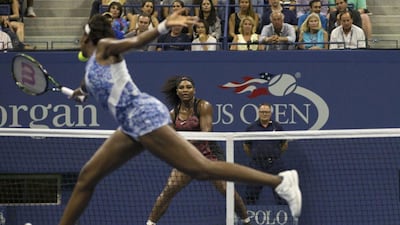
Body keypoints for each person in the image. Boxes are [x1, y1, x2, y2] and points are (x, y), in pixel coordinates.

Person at [59, 9, 301, 225]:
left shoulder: (105, 47)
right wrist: (78, 95)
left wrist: (163, 26)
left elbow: (137, 40)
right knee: (87, 178)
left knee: (202, 169)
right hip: (128, 125)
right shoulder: (91, 67)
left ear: (86, 37)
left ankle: (279, 181)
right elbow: (85, 89)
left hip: (144, 116)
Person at [146, 76, 254, 225]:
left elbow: (206, 133)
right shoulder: (173, 114)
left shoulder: (203, 106)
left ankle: (246, 221)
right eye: (182, 87)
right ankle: (150, 223)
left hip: (209, 156)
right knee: (169, 190)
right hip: (187, 158)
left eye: (188, 87)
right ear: (177, 92)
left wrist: (182, 142)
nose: (185, 90)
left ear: (194, 90)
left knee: (227, 190)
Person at [243, 103, 288, 205]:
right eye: (262, 112)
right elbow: (246, 146)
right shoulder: (251, 128)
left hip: (275, 165)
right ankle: (248, 219)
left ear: (270, 113)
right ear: (259, 113)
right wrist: (256, 156)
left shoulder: (277, 127)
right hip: (256, 165)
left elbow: (284, 144)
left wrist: (275, 154)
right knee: (250, 195)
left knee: (281, 193)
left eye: (267, 112)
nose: (264, 114)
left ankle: (284, 218)